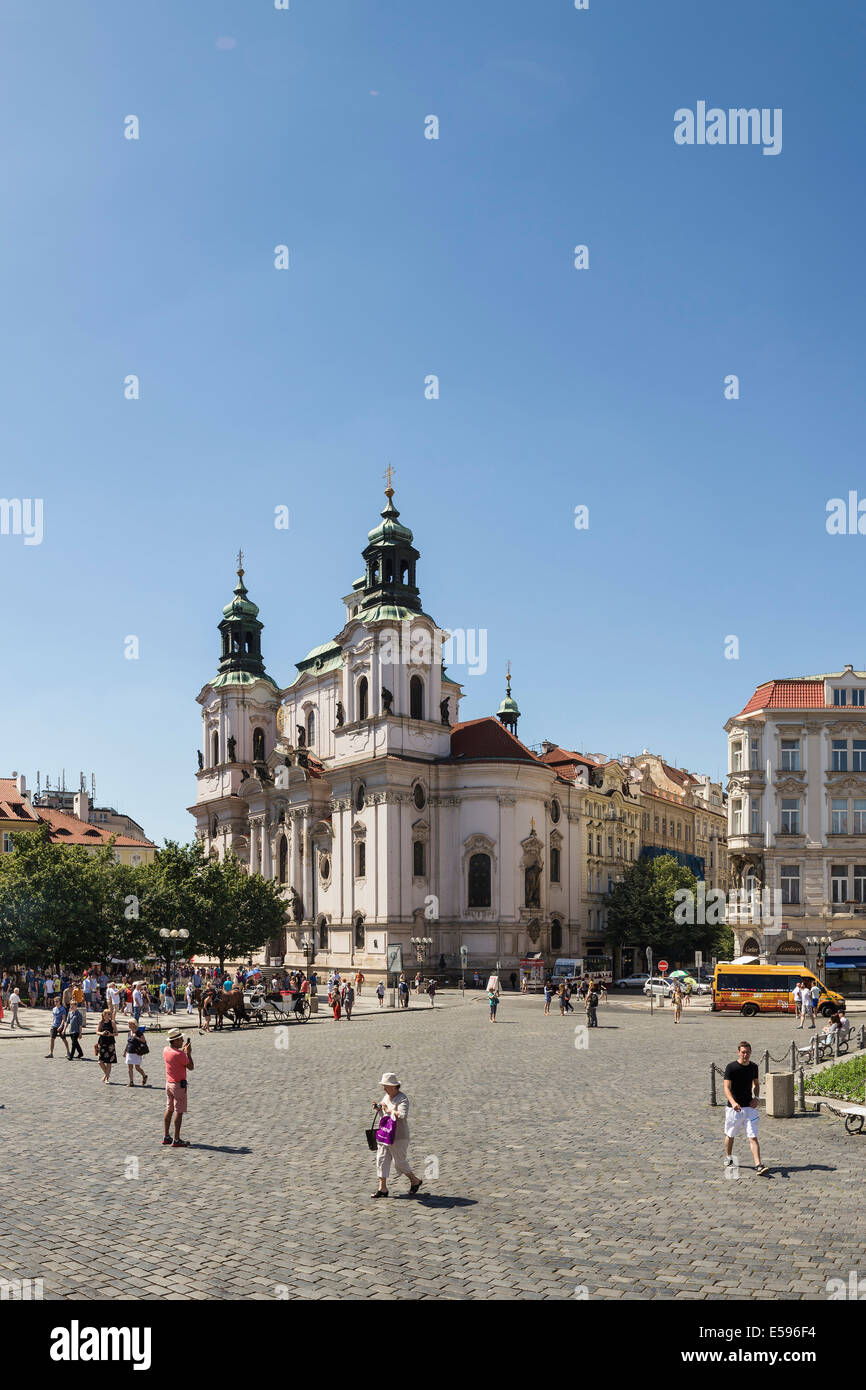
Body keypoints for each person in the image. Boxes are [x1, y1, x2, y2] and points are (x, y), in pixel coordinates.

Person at [370, 1072, 423, 1199]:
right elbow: (384, 1109)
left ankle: (415, 1180)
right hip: (385, 1134)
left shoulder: (402, 1098)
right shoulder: (386, 1096)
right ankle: (382, 1188)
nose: (384, 1088)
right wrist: (379, 1108)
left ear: (393, 1086)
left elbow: (403, 1114)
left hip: (399, 1136)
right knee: (381, 1159)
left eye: (385, 1086)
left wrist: (390, 1111)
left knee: (399, 1162)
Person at [723, 1040, 768, 1176]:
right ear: (738, 1052)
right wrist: (733, 1102)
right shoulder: (731, 1067)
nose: (745, 1055)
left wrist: (756, 1098)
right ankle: (728, 1157)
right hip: (733, 1109)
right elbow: (726, 1087)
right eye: (743, 1052)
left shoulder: (753, 1067)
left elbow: (756, 1084)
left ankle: (758, 1165)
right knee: (730, 1135)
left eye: (748, 1052)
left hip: (749, 1107)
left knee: (753, 1136)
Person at [162, 1028, 193, 1148]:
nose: (182, 1040)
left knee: (169, 1109)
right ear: (175, 1041)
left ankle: (166, 1136)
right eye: (180, 1039)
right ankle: (176, 1139)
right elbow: (190, 1066)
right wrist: (188, 1053)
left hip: (168, 1084)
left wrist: (184, 1052)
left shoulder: (166, 1050)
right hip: (179, 1085)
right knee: (178, 1112)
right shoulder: (180, 1054)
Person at [123, 1021, 149, 1086]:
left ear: (134, 1025)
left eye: (130, 1024)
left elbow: (143, 1040)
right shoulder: (129, 1033)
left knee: (137, 1067)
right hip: (129, 1051)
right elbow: (128, 1042)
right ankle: (131, 1082)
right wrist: (125, 1051)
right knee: (130, 1067)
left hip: (137, 1052)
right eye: (128, 1024)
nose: (129, 1025)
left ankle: (144, 1075)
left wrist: (136, 1037)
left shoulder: (139, 1032)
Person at [95, 1008, 118, 1083]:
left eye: (109, 1014)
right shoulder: (101, 1022)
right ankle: (107, 1075)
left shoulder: (112, 1023)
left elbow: (116, 1033)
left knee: (109, 1062)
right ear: (103, 1015)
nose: (107, 1015)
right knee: (100, 1061)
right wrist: (102, 1033)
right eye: (106, 1014)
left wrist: (110, 1034)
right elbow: (97, 1032)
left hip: (110, 1043)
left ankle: (107, 1078)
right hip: (102, 1043)